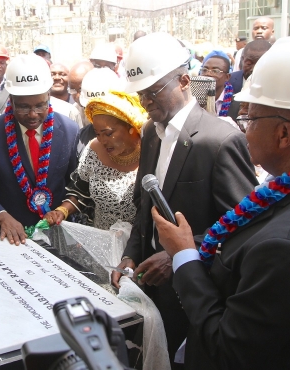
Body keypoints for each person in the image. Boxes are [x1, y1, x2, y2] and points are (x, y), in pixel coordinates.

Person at [151, 36, 290, 370]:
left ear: (284, 134)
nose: (243, 132)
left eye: (250, 119)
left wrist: (184, 257)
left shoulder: (286, 247)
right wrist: (196, 242)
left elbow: (227, 350)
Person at [110, 33, 258, 369]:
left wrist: (180, 254)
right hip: (151, 287)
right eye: (141, 94)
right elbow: (143, 209)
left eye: (154, 92)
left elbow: (246, 225)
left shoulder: (220, 141)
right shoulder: (150, 133)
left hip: (197, 295)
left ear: (184, 81)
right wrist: (132, 255)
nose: (146, 102)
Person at [0, 54, 78, 244]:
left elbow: (76, 186)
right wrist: (2, 216)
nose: (33, 114)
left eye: (40, 105)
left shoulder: (69, 130)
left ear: (49, 96)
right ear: (11, 99)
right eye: (24, 107)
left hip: (58, 237)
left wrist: (63, 210)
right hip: (13, 241)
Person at [44, 91, 146, 230]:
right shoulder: (93, 149)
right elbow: (80, 193)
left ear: (130, 126)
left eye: (108, 133)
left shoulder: (151, 151)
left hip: (139, 244)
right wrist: (62, 211)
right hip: (101, 240)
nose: (102, 140)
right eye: (98, 133)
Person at [75, 67, 123, 156]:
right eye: (91, 108)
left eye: (102, 108)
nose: (97, 114)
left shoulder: (139, 135)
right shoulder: (81, 139)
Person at [199, 51, 232, 117]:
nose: (208, 74)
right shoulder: (193, 100)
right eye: (204, 70)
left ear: (227, 77)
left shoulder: (236, 104)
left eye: (215, 71)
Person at [68, 60, 94, 125]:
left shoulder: (110, 110)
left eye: (81, 89)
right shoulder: (73, 112)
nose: (78, 96)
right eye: (73, 90)